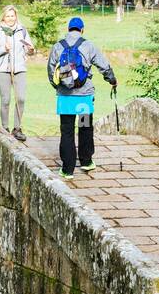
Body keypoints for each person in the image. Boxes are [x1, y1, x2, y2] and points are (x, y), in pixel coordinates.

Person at [46, 16, 116, 178]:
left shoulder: (58, 46)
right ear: (82, 30)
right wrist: (111, 79)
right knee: (85, 127)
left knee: (67, 131)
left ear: (69, 29)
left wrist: (58, 86)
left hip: (66, 99)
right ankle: (86, 162)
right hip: (83, 97)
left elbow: (51, 71)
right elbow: (103, 65)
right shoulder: (88, 45)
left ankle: (67, 169)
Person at [0, 4, 37, 141]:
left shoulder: (22, 30)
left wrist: (31, 50)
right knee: (6, 100)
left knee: (20, 99)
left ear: (16, 16)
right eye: (8, 16)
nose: (10, 18)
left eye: (12, 15)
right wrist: (3, 48)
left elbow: (29, 49)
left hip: (20, 69)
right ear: (3, 17)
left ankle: (17, 129)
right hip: (2, 70)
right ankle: (4, 128)